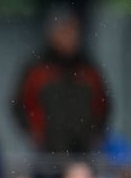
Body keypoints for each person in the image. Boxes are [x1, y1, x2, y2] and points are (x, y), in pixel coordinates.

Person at [12, 8, 110, 155]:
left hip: (83, 151)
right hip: (47, 152)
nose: (69, 37)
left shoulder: (88, 69)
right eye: (63, 31)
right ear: (53, 34)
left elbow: (103, 105)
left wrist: (95, 135)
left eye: (72, 31)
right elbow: (20, 105)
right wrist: (35, 134)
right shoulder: (38, 68)